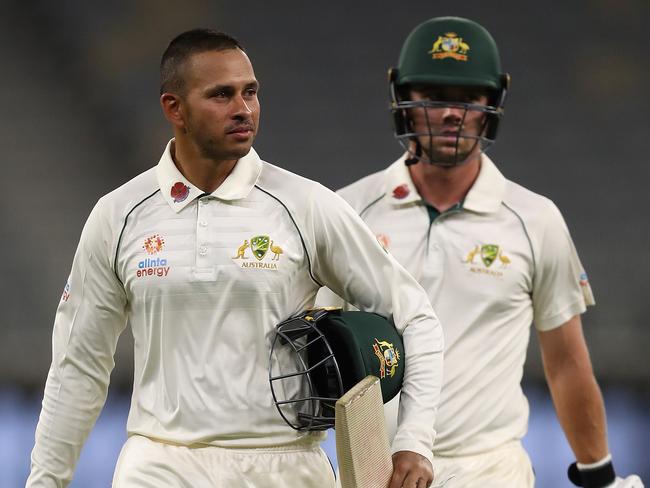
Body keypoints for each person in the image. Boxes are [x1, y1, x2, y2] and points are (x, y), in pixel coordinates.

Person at [26, 29, 444, 488]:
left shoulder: (304, 205)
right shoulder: (119, 215)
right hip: (161, 465)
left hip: (286, 466)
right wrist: (45, 481)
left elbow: (415, 315)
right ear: (174, 108)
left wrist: (414, 442)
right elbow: (78, 366)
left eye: (250, 92)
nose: (243, 108)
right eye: (221, 95)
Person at [316, 16, 644, 488]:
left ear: (491, 104)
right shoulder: (347, 211)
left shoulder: (535, 220)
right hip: (376, 467)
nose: (452, 114)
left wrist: (599, 475)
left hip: (488, 468)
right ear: (404, 102)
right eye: (434, 97)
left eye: (468, 99)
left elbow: (567, 362)